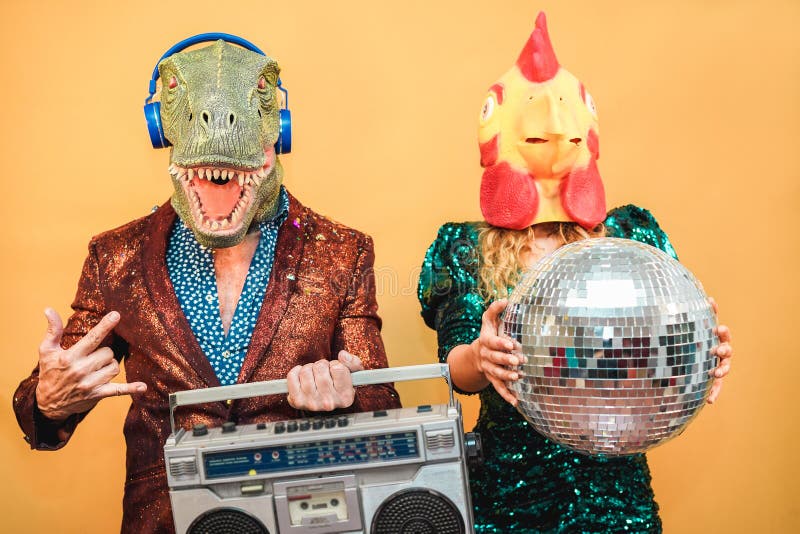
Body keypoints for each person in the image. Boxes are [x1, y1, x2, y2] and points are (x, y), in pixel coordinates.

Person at [12, 35, 399, 533]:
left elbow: (384, 411)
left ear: (278, 128)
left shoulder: (345, 251)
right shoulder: (115, 257)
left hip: (302, 516)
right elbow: (40, 414)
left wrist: (345, 394)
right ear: (160, 127)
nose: (221, 124)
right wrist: (47, 399)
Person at [418, 13, 733, 533]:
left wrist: (701, 354)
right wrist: (481, 354)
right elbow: (456, 369)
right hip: (509, 498)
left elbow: (667, 352)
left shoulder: (632, 236)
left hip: (616, 497)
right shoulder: (465, 246)